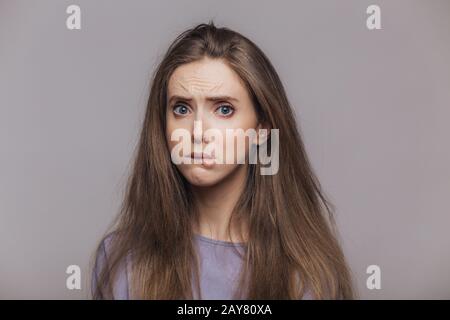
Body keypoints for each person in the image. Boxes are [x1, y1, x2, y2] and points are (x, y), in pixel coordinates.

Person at [91, 21, 354, 300]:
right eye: (181, 108)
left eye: (224, 109)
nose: (198, 132)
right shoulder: (122, 262)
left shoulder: (307, 272)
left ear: (261, 129)